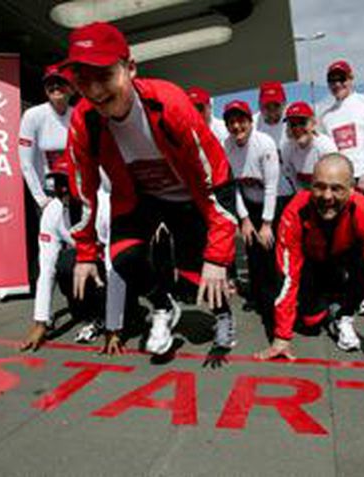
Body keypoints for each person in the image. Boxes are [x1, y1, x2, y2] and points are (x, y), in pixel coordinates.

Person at [59, 22, 238, 357]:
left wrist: (218, 256)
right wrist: (84, 252)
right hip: (141, 198)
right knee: (122, 257)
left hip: (190, 198)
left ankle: (223, 316)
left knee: (204, 273)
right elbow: (83, 190)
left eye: (104, 75)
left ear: (130, 68)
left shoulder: (172, 105)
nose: (95, 90)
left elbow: (217, 178)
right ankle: (162, 306)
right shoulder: (84, 120)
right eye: (83, 78)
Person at [255, 154, 364, 368]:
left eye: (336, 188)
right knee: (310, 323)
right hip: (313, 261)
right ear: (310, 186)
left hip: (348, 259)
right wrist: (282, 337)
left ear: (351, 189)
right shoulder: (295, 211)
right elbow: (286, 278)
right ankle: (328, 304)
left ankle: (344, 312)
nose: (327, 196)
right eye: (319, 187)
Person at [319, 59, 364, 318]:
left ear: (352, 79)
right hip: (340, 186)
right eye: (333, 80)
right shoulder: (326, 117)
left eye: (342, 79)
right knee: (342, 243)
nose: (337, 84)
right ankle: (348, 291)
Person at [20, 159, 104, 351]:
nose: (62, 189)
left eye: (66, 182)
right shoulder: (52, 211)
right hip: (88, 268)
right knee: (65, 262)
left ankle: (114, 312)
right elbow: (46, 269)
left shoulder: (100, 204)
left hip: (107, 267)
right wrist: (40, 322)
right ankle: (87, 312)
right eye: (58, 183)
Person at [223, 100, 279, 329]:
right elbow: (233, 185)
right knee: (251, 250)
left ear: (249, 121)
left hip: (268, 204)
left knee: (268, 250)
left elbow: (271, 187)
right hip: (247, 203)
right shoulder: (227, 145)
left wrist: (266, 223)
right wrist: (244, 219)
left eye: (241, 121)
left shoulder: (265, 143)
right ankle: (256, 296)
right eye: (231, 122)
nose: (236, 126)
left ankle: (273, 299)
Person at [18, 64, 75, 209]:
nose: (55, 87)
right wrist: (41, 199)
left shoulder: (78, 114)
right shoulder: (33, 116)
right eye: (50, 84)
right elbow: (26, 163)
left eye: (61, 82)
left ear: (72, 88)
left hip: (77, 191)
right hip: (48, 194)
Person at [254, 81, 297, 209]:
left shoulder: (294, 120)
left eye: (276, 105)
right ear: (260, 106)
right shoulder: (253, 124)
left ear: (284, 103)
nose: (272, 109)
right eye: (267, 105)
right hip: (265, 196)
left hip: (292, 191)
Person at [280, 101, 338, 190]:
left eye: (302, 122)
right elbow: (293, 178)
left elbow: (335, 180)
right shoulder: (286, 148)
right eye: (293, 124)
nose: (297, 128)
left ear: (313, 124)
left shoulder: (325, 146)